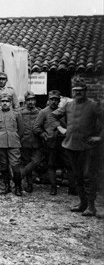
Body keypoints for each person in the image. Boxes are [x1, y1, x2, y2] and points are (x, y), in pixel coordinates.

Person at [49, 77, 104, 217]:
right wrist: (61, 129)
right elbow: (52, 116)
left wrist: (100, 137)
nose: (77, 93)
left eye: (80, 91)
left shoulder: (93, 105)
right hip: (71, 145)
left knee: (88, 176)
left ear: (85, 91)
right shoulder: (68, 105)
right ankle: (82, 204)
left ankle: (91, 207)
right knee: (77, 176)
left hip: (88, 147)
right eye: (75, 91)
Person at [36, 90, 74, 196]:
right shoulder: (43, 112)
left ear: (59, 101)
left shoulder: (63, 111)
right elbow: (36, 127)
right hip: (51, 142)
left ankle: (72, 187)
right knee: (51, 165)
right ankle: (53, 188)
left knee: (69, 164)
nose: (54, 102)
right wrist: (45, 135)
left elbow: (69, 124)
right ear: (48, 100)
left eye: (56, 100)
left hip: (63, 141)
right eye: (52, 99)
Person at [0, 92, 24, 196]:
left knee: (15, 166)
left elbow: (21, 129)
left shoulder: (16, 114)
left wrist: (16, 137)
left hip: (14, 143)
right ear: (0, 102)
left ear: (10, 103)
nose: (5, 103)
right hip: (1, 144)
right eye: (3, 101)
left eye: (7, 101)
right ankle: (6, 187)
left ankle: (18, 187)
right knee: (3, 167)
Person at [19, 91, 43, 193]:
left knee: (36, 161)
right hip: (24, 142)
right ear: (25, 101)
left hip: (37, 142)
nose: (30, 102)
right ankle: (29, 186)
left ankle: (19, 176)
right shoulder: (21, 113)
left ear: (35, 101)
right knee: (26, 163)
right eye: (28, 100)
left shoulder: (40, 112)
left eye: (32, 100)